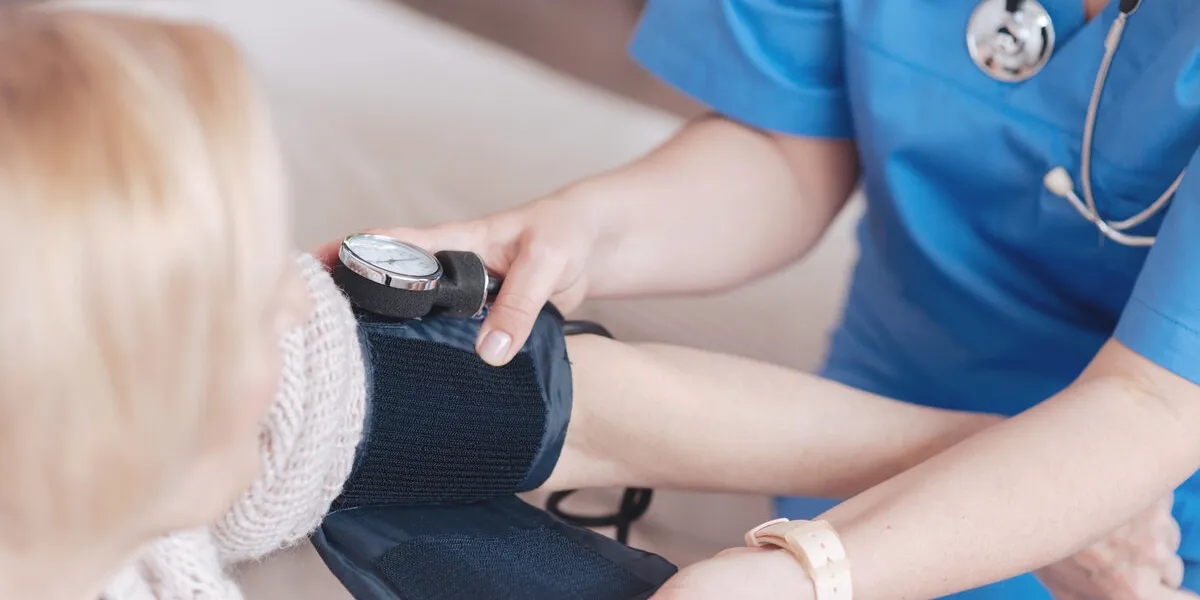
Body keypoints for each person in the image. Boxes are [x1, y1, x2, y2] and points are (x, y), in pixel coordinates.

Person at [0, 5, 1020, 599]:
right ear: (101, 423)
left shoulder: (122, 496)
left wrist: (1007, 472)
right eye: (236, 296)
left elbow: (530, 402)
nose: (297, 297)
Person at [335, 0, 1200, 598]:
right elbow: (789, 151)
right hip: (854, 427)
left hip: (1157, 543)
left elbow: (1153, 402)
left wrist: (812, 571)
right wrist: (578, 230)